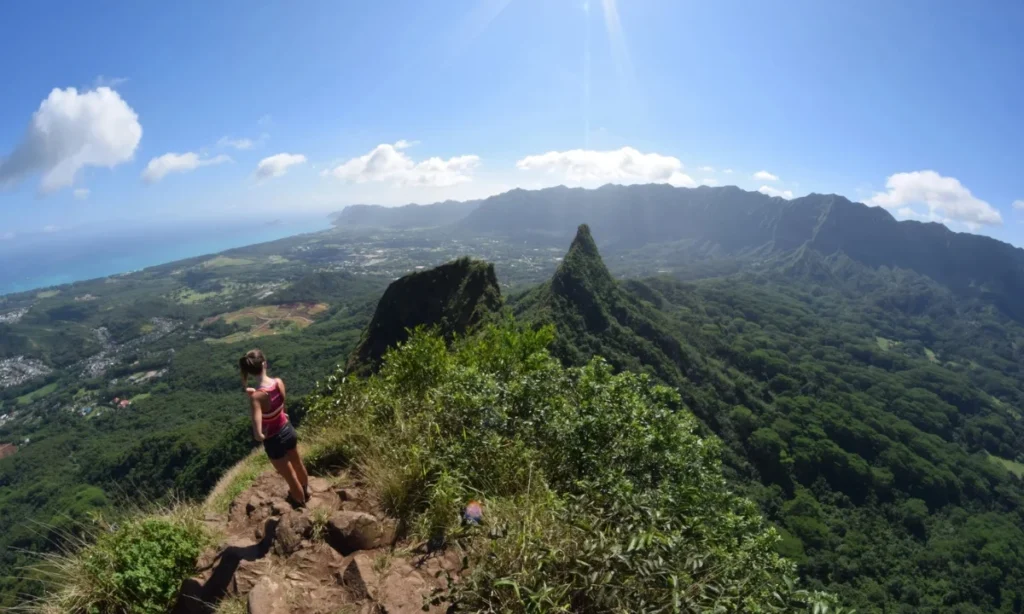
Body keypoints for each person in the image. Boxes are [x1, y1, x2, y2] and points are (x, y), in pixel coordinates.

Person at [239, 349, 309, 507]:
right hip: (287, 429)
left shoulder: (257, 397)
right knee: (297, 462)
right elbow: (280, 404)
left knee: (290, 476)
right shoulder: (278, 382)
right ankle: (306, 491)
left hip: (274, 439)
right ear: (265, 364)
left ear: (249, 372)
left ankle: (300, 503)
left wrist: (261, 434)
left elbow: (258, 434)